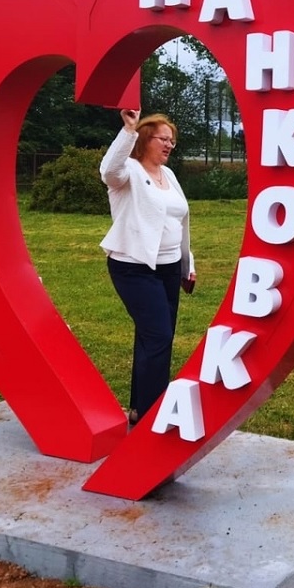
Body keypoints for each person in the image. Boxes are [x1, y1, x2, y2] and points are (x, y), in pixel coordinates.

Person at [100, 109, 196, 427]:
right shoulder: (127, 171)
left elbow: (178, 220)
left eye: (172, 140)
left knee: (152, 337)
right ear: (145, 139)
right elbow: (108, 171)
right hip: (134, 267)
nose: (169, 145)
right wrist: (128, 129)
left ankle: (140, 410)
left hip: (168, 268)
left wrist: (187, 264)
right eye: (163, 139)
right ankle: (156, 415)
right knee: (158, 336)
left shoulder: (168, 176)